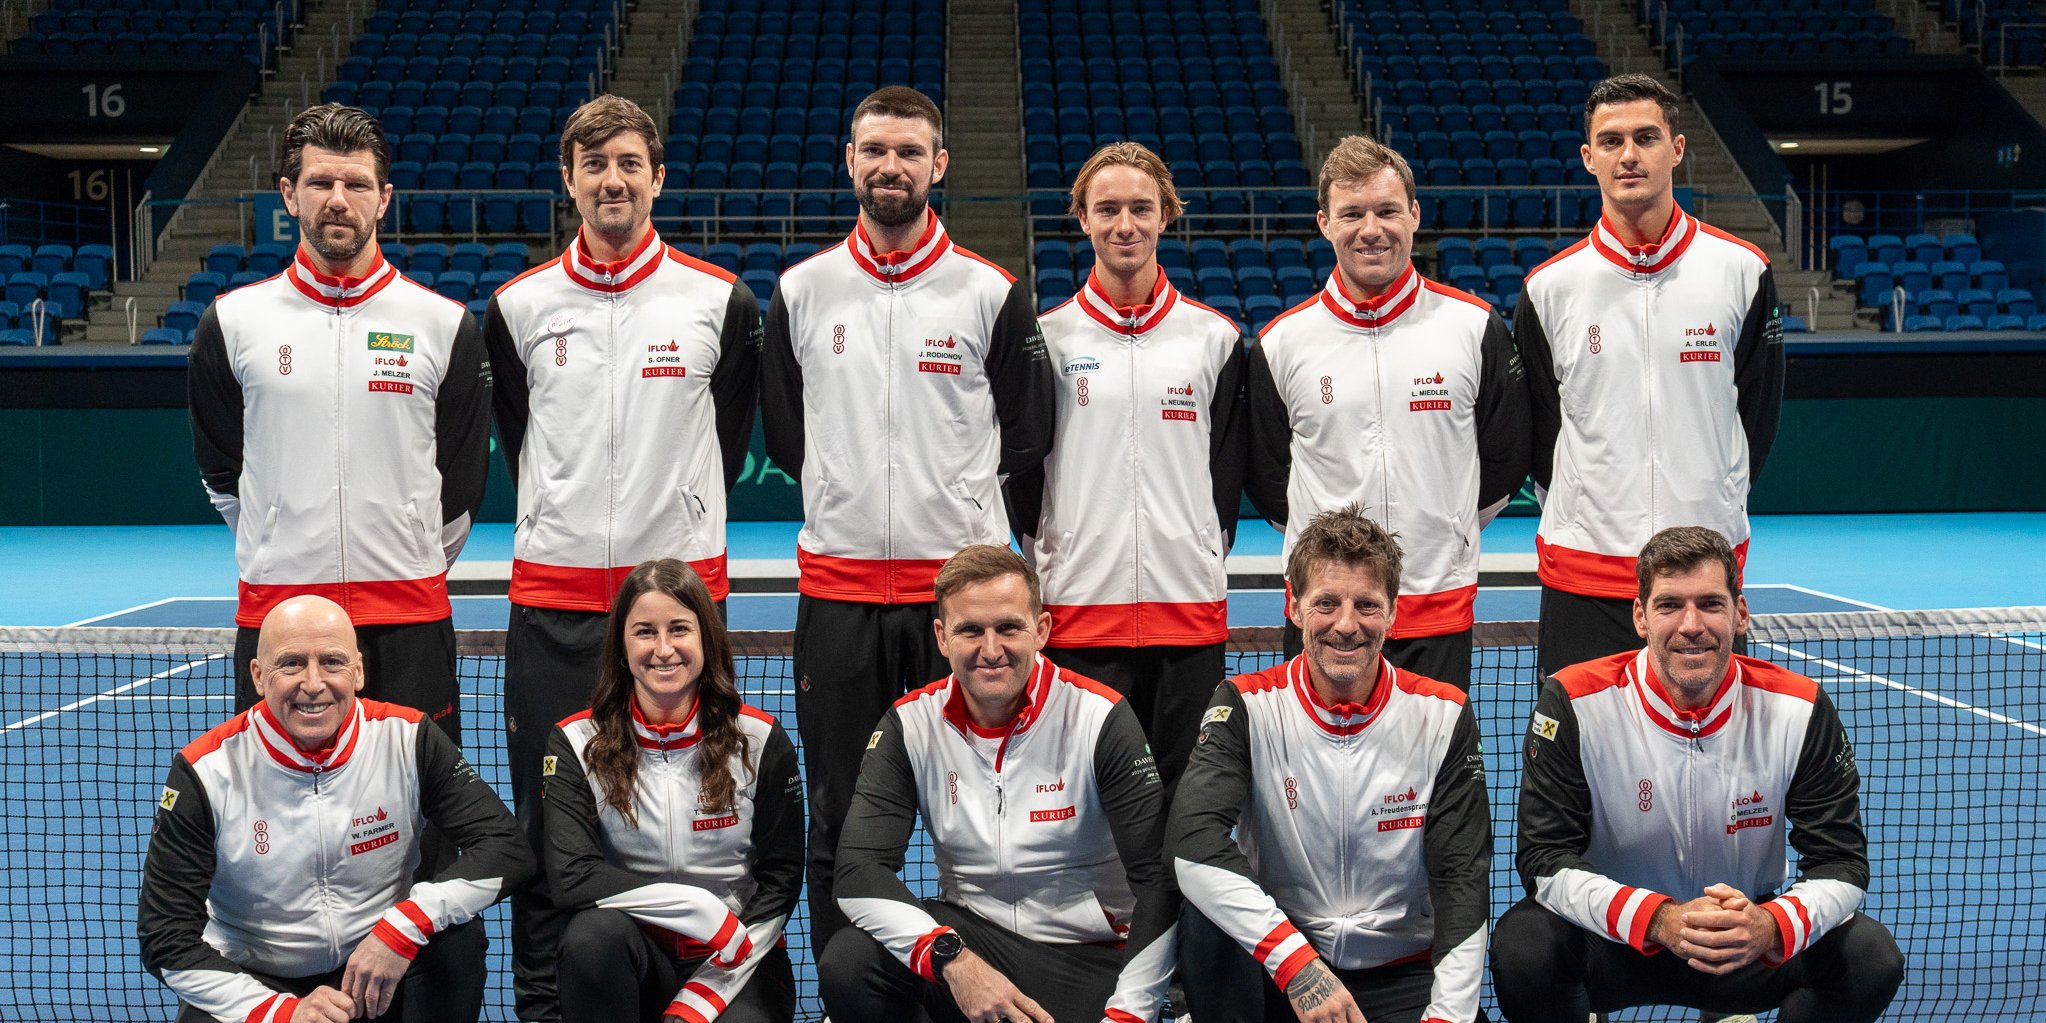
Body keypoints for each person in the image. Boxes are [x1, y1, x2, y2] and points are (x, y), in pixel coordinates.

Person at [483, 93, 762, 1020]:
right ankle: (544, 1007)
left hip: (680, 612)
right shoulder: (518, 306)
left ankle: (707, 985)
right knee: (547, 820)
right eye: (594, 164)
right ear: (568, 180)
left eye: (629, 163)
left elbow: (727, 436)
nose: (613, 180)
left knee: (704, 808)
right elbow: (519, 434)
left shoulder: (720, 300)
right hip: (554, 608)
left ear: (658, 178)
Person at [760, 86, 1055, 946]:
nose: (891, 166)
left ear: (940, 164)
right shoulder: (802, 290)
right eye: (876, 150)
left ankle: (1008, 974)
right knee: (840, 815)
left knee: (993, 810)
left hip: (962, 607)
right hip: (840, 598)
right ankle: (846, 988)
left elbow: (1027, 434)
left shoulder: (989, 292)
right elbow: (787, 434)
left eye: (910, 152)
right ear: (850, 161)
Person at [1491, 526, 1902, 1022]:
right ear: (1640, 617)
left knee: (1868, 958)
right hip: (1616, 941)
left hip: (1744, 943)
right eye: (1669, 605)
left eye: (1710, 604)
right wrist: (1659, 919)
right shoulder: (1575, 701)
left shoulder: (1799, 707)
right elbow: (1544, 859)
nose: (1691, 625)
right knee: (1525, 947)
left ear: (1740, 613)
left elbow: (1841, 863)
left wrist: (1770, 926)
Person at [188, 102, 492, 739]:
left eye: (356, 184)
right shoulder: (232, 324)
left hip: (410, 617)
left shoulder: (444, 325)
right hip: (280, 617)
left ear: (383, 199)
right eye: (320, 182)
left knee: (417, 796)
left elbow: (462, 484)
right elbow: (223, 472)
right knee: (276, 793)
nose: (337, 200)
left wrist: (407, 553)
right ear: (289, 194)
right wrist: (278, 540)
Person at [819, 545, 1177, 1023]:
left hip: (1086, 957)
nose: (991, 651)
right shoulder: (910, 724)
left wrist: (1129, 1013)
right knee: (851, 961)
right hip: (972, 946)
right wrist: (951, 959)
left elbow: (1157, 881)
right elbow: (857, 869)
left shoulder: (1100, 717)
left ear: (1041, 630)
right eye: (970, 630)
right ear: (942, 637)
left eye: (1009, 628)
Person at [138, 596, 531, 1023]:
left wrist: (404, 926)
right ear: (258, 676)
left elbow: (506, 847)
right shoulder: (204, 771)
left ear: (358, 671)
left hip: (377, 966)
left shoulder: (408, 738)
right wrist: (282, 1012)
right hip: (257, 979)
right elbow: (165, 937)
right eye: (291, 664)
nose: (313, 683)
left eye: (332, 662)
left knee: (456, 941)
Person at [1170, 505, 1491, 1023]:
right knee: (1204, 920)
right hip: (1284, 965)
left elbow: (1463, 879)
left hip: (1402, 971)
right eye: (1326, 603)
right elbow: (1192, 842)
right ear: (1294, 607)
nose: (1346, 625)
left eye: (1367, 605)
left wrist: (1449, 1016)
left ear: (1393, 613)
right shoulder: (1246, 705)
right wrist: (1298, 966)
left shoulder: (1444, 714)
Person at [1516, 74, 1785, 679]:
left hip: (1701, 576)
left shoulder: (1742, 271)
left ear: (1677, 148)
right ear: (1589, 157)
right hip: (1585, 571)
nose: (1629, 155)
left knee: (1709, 737)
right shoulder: (1549, 288)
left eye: (1646, 137)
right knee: (1577, 742)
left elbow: (1757, 414)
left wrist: (1716, 495)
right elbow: (1539, 430)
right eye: (1611, 141)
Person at [1004, 140, 1246, 800]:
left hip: (1188, 613)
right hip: (1078, 612)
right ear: (1082, 217)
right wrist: (1052, 548)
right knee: (1083, 805)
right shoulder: (1047, 340)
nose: (1125, 224)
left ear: (1166, 214)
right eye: (1107, 209)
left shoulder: (1215, 340)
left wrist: (1199, 548)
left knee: (1187, 806)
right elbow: (1022, 475)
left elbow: (1228, 472)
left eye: (1141, 208)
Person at [1246, 135, 1529, 688]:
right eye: (1352, 213)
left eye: (1387, 211)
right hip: (1325, 613)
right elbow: (1267, 476)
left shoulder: (1474, 327)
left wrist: (1449, 526)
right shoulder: (1281, 343)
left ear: (1414, 215)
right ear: (1325, 222)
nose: (1371, 229)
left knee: (1435, 749)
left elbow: (1506, 455)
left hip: (1437, 603)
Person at [541, 560, 802, 1023]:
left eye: (679, 629)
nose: (663, 650)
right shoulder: (576, 742)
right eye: (645, 632)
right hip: (635, 956)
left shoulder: (759, 738)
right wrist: (696, 907)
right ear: (622, 646)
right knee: (591, 939)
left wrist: (703, 996)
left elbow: (781, 880)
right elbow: (572, 877)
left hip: (738, 956)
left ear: (705, 638)